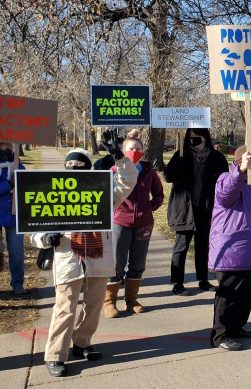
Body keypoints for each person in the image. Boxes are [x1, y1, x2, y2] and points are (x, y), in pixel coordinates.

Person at [33, 134, 137, 377]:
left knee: (94, 306)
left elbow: (128, 180)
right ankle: (55, 355)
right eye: (69, 167)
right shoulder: (54, 192)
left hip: (98, 257)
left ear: (89, 169)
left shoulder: (104, 192)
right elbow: (34, 225)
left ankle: (81, 343)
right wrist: (45, 238)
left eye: (79, 166)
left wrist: (120, 157)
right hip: (68, 257)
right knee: (64, 308)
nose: (73, 170)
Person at [208, 147, 251, 351]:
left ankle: (236, 327)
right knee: (230, 294)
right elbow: (225, 194)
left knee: (246, 293)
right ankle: (221, 334)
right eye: (249, 161)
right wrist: (240, 169)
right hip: (233, 249)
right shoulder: (227, 178)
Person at [164, 128, 229, 296]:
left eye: (197, 137)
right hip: (185, 208)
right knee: (181, 246)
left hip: (207, 208)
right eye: (190, 137)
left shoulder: (216, 158)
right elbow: (168, 176)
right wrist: (179, 160)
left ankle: (203, 279)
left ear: (205, 137)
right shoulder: (182, 155)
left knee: (203, 246)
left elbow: (225, 182)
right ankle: (177, 282)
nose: (194, 140)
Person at [105, 136, 164, 318]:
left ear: (143, 151)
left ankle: (131, 301)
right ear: (122, 151)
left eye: (138, 148)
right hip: (119, 223)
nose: (134, 151)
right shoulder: (114, 171)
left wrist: (149, 207)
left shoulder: (149, 172)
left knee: (137, 264)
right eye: (130, 148)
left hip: (143, 224)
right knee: (116, 264)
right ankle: (109, 302)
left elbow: (159, 195)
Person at [0, 142, 25, 295]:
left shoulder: (18, 167)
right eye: (1, 148)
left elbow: (27, 186)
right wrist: (9, 184)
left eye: (8, 148)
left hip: (14, 216)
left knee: (16, 252)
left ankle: (17, 284)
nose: (4, 151)